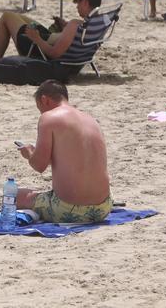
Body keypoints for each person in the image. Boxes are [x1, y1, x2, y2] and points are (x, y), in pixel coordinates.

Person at [15, 80, 112, 224]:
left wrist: (29, 153)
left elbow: (39, 165)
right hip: (103, 208)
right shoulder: (91, 120)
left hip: (68, 210)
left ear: (44, 100)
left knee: (14, 196)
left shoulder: (48, 118)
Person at [0, 0, 101, 71]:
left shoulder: (75, 25)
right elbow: (71, 41)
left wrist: (36, 38)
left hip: (38, 49)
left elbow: (54, 53)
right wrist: (65, 29)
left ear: (85, 2)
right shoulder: (96, 24)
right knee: (18, 17)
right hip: (53, 42)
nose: (77, 7)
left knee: (7, 16)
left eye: (78, 3)